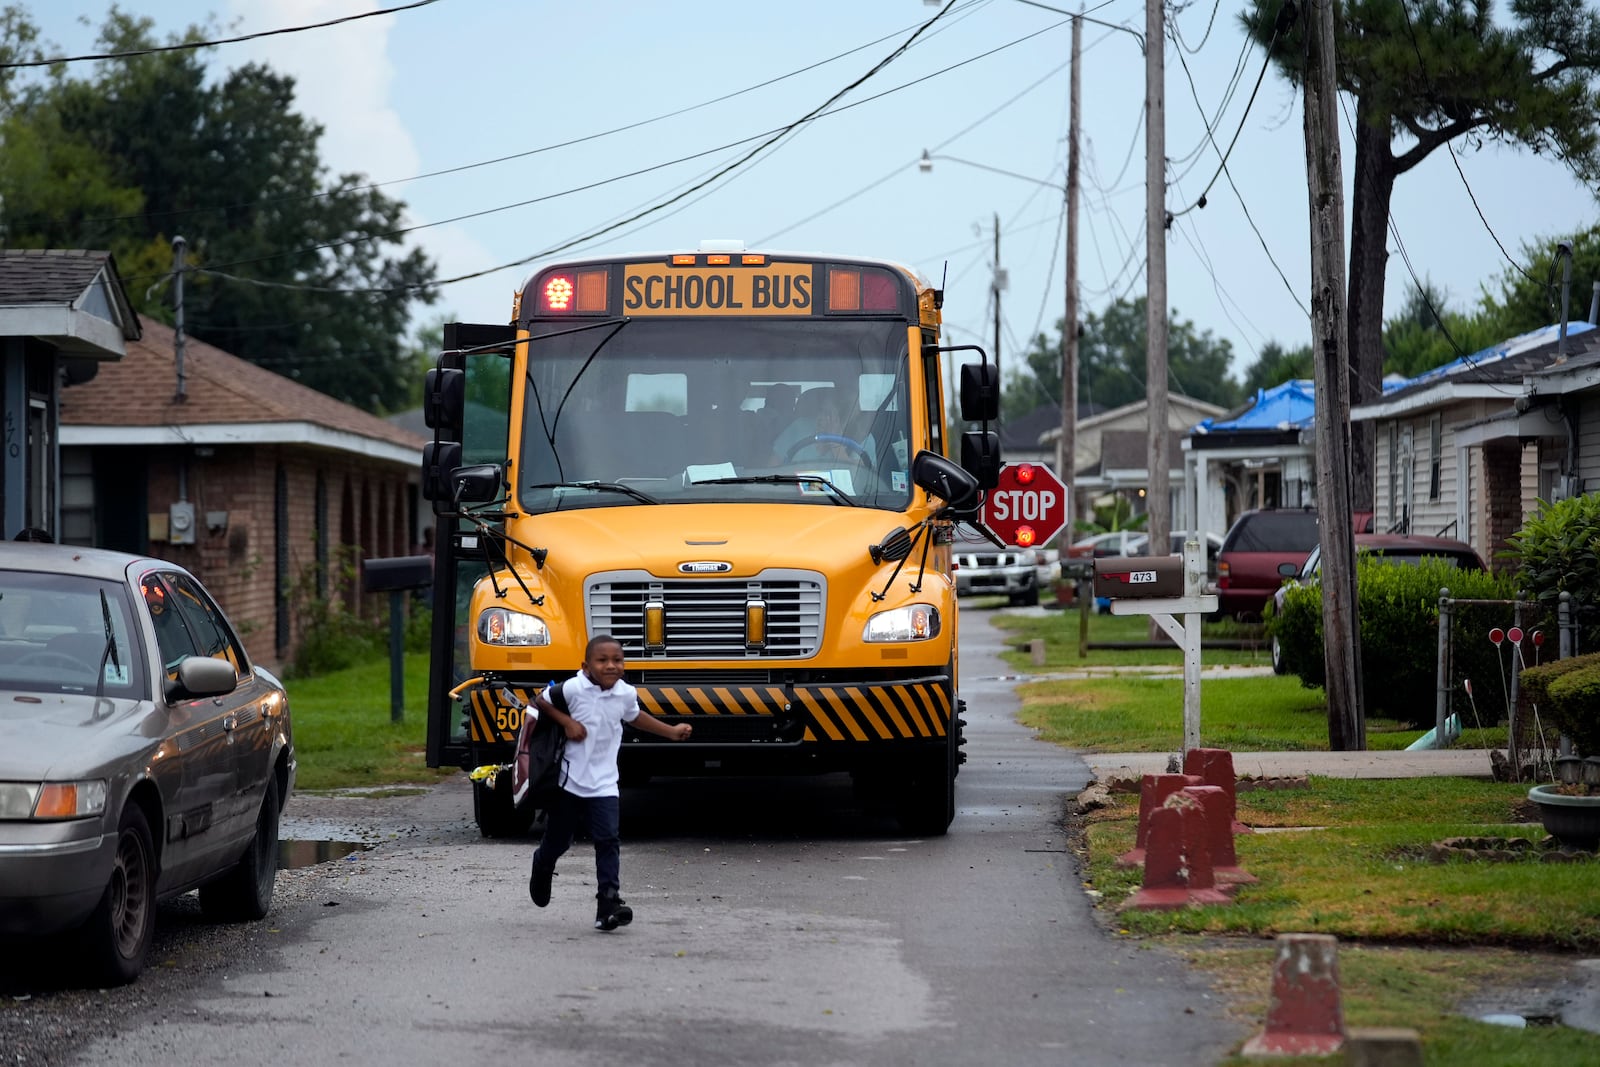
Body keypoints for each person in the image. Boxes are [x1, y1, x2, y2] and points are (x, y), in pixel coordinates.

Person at [526, 634, 691, 930]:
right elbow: (541, 700)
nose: (611, 666)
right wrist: (567, 722)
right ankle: (543, 863)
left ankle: (608, 905)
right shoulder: (574, 689)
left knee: (608, 840)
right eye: (602, 660)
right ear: (586, 665)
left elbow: (635, 716)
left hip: (604, 783)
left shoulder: (625, 694)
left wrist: (670, 731)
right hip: (569, 781)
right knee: (559, 840)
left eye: (617, 660)